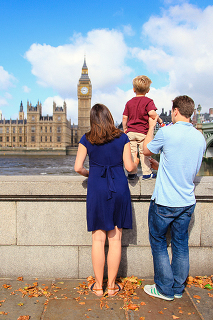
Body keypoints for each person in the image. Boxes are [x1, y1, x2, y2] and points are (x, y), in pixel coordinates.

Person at [142, 95, 206, 301]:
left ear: (176, 111)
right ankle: (178, 288)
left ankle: (164, 289)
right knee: (180, 244)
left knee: (159, 242)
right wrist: (161, 167)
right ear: (192, 113)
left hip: (165, 202)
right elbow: (185, 168)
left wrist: (151, 126)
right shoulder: (199, 138)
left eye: (172, 111)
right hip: (187, 202)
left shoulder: (167, 132)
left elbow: (146, 149)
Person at [74, 103, 138, 297]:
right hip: (118, 188)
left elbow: (78, 167)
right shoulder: (122, 138)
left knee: (98, 239)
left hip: (97, 188)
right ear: (109, 118)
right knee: (115, 238)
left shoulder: (87, 138)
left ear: (92, 120)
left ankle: (98, 287)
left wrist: (90, 173)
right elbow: (129, 168)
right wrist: (135, 162)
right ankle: (111, 286)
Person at [122, 75, 163, 180]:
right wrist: (159, 120)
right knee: (144, 153)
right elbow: (152, 113)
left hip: (130, 133)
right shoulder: (148, 101)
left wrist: (125, 129)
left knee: (131, 152)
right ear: (148, 90)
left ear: (133, 89)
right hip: (143, 133)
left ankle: (131, 173)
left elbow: (124, 118)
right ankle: (147, 173)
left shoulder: (129, 103)